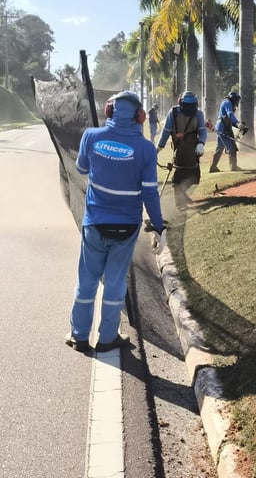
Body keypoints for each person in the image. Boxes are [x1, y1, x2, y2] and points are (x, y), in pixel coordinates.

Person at [66, 90, 165, 354]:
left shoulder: (91, 136)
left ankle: (79, 335)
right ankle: (107, 337)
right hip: (126, 228)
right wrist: (159, 225)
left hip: (94, 224)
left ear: (108, 112)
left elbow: (81, 169)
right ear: (140, 117)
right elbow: (149, 193)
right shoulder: (145, 149)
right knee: (115, 283)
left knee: (86, 282)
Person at [157, 91, 207, 210]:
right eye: (187, 106)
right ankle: (180, 202)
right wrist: (159, 146)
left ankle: (182, 193)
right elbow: (166, 130)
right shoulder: (173, 112)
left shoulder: (199, 114)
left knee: (195, 176)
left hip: (194, 146)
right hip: (179, 146)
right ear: (181, 103)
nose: (190, 109)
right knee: (179, 173)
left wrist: (201, 143)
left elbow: (202, 130)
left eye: (192, 106)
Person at [209, 90, 248, 172]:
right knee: (231, 147)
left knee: (219, 148)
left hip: (221, 126)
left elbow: (229, 118)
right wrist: (237, 123)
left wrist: (240, 125)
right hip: (223, 127)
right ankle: (233, 167)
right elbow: (230, 114)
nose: (237, 102)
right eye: (237, 100)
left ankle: (213, 167)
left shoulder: (226, 102)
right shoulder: (228, 102)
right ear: (233, 99)